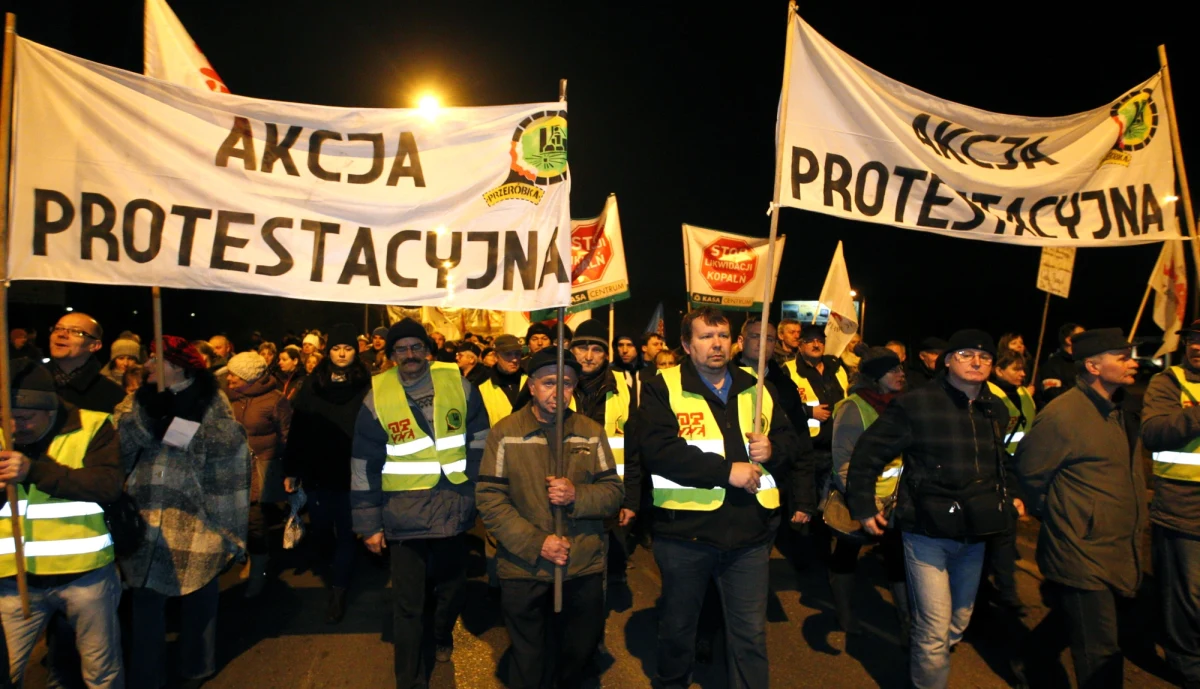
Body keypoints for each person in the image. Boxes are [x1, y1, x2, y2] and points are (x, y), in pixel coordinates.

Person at [847, 329, 1022, 689]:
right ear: (947, 361)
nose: (976, 362)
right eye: (966, 354)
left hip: (976, 534)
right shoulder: (916, 404)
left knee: (959, 620)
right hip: (927, 532)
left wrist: (1013, 494)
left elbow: (1001, 460)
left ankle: (933, 656)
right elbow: (867, 454)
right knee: (933, 627)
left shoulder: (995, 408)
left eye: (985, 357)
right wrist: (864, 506)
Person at [640, 307, 802, 688]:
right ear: (686, 344)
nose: (716, 344)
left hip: (749, 536)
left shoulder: (755, 387)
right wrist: (727, 471)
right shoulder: (661, 386)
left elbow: (793, 442)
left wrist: (773, 449)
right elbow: (657, 449)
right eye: (705, 337)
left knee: (750, 637)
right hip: (685, 536)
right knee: (678, 632)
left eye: (723, 337)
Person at [351, 318, 489, 685]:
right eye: (401, 349)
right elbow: (364, 463)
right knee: (408, 605)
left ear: (427, 350)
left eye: (416, 347)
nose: (410, 355)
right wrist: (368, 524)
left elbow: (479, 441)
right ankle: (408, 678)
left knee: (451, 591)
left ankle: (442, 635)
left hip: (453, 510)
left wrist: (475, 489)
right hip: (403, 518)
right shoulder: (377, 395)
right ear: (391, 354)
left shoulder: (458, 384)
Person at [476, 348, 623, 688]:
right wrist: (537, 542)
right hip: (524, 568)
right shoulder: (505, 433)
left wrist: (577, 496)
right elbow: (489, 498)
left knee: (577, 653)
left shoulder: (590, 431)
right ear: (531, 386)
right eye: (549, 382)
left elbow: (613, 492)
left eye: (568, 383)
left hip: (581, 565)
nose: (559, 392)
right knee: (530, 659)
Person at [1016, 328, 1144, 689]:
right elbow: (1029, 472)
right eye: (1123, 357)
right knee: (1100, 653)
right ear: (1092, 365)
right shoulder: (1064, 415)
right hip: (1080, 547)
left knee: (1078, 623)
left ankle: (1030, 657)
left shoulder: (1122, 408)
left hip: (1116, 545)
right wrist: (1068, 517)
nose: (1133, 363)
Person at [119, 336, 250, 689]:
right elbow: (123, 443)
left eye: (154, 360)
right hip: (148, 514)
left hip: (197, 514)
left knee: (199, 596)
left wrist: (177, 426)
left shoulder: (211, 398)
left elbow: (228, 444)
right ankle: (147, 676)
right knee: (146, 600)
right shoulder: (138, 400)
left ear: (176, 366)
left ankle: (196, 665)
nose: (145, 365)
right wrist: (150, 416)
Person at [0, 359, 125, 689]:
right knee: (6, 672)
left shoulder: (92, 427)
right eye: (6, 417)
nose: (13, 427)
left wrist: (35, 472)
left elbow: (107, 485)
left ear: (51, 409)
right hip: (15, 581)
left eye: (24, 418)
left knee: (101, 673)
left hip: (85, 578)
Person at [284, 323, 373, 624]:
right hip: (318, 469)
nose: (342, 353)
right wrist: (292, 468)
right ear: (328, 351)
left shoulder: (365, 382)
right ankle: (332, 569)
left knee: (347, 531)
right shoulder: (313, 383)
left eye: (347, 348)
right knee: (322, 528)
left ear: (355, 351)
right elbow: (299, 427)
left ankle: (339, 589)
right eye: (336, 348)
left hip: (353, 470)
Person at [827, 348, 909, 640]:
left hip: (897, 502)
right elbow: (844, 461)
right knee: (848, 552)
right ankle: (845, 611)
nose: (901, 375)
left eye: (901, 369)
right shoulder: (854, 407)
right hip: (865, 501)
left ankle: (907, 623)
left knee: (898, 559)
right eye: (893, 371)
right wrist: (865, 502)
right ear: (874, 377)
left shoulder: (902, 405)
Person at [1141, 319, 1200, 689]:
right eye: (1193, 340)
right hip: (1182, 508)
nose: (1197, 347)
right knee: (1189, 595)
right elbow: (1154, 432)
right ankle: (1187, 662)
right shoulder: (1168, 382)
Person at [226, 351, 292, 598]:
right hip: (232, 467)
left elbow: (287, 435)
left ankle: (258, 571)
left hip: (260, 467)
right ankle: (248, 558)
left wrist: (290, 470)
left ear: (249, 377)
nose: (229, 378)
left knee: (254, 519)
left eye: (234, 375)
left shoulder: (274, 401)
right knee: (236, 516)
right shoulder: (227, 398)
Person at [786, 323, 849, 533]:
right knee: (806, 507)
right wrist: (808, 412)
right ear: (800, 346)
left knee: (834, 507)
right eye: (810, 341)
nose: (816, 344)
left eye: (820, 341)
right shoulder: (789, 370)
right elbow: (779, 406)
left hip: (837, 449)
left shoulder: (837, 369)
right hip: (808, 452)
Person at [47, 312, 125, 414]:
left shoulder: (112, 395)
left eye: (75, 331)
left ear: (94, 345)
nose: (61, 334)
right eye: (58, 328)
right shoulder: (29, 381)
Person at [1036, 322, 1084, 408]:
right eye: (1082, 335)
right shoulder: (1052, 365)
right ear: (1069, 340)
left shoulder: (1086, 363)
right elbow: (1053, 394)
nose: (1086, 339)